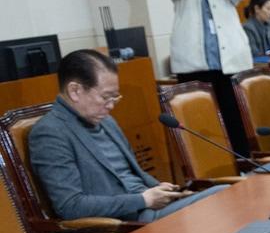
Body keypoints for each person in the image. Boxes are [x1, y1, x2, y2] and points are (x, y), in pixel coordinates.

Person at [30, 49, 227, 222]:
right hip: (125, 225)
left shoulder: (106, 121)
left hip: (149, 210)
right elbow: (70, 206)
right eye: (106, 97)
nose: (111, 105)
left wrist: (161, 189)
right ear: (75, 91)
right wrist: (143, 200)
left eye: (115, 97)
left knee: (230, 195)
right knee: (221, 198)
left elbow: (131, 175)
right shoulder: (50, 133)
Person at [162, 0, 253, 154]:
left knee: (236, 119)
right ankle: (211, 166)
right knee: (200, 120)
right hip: (194, 65)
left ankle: (242, 163)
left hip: (229, 62)